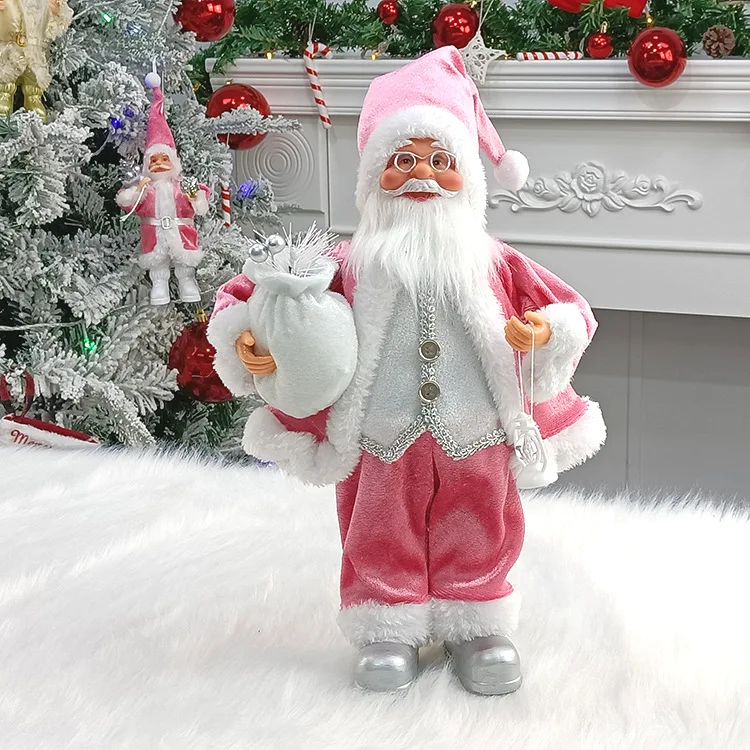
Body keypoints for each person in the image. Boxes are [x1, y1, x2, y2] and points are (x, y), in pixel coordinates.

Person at [207, 47, 606, 695]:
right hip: (380, 434)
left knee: (480, 517)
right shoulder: (348, 261)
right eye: (403, 160)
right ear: (373, 179)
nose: (422, 173)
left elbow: (569, 309)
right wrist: (252, 336)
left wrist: (543, 333)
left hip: (476, 430)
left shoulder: (493, 260)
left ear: (468, 179)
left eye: (441, 161)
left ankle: (476, 618)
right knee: (377, 524)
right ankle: (385, 619)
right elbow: (260, 292)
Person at [116, 76, 209, 306]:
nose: (159, 164)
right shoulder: (147, 189)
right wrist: (136, 191)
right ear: (147, 165)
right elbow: (130, 204)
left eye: (164, 159)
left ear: (173, 162)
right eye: (153, 160)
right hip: (154, 234)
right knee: (157, 264)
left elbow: (200, 205)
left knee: (184, 261)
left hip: (181, 233)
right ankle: (159, 285)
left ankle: (187, 282)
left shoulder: (182, 185)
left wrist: (195, 198)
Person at [0, 0, 72, 121]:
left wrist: (57, 10)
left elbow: (59, 23)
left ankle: (33, 97)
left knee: (33, 75)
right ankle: (4, 95)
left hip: (35, 47)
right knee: (6, 72)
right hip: (9, 45)